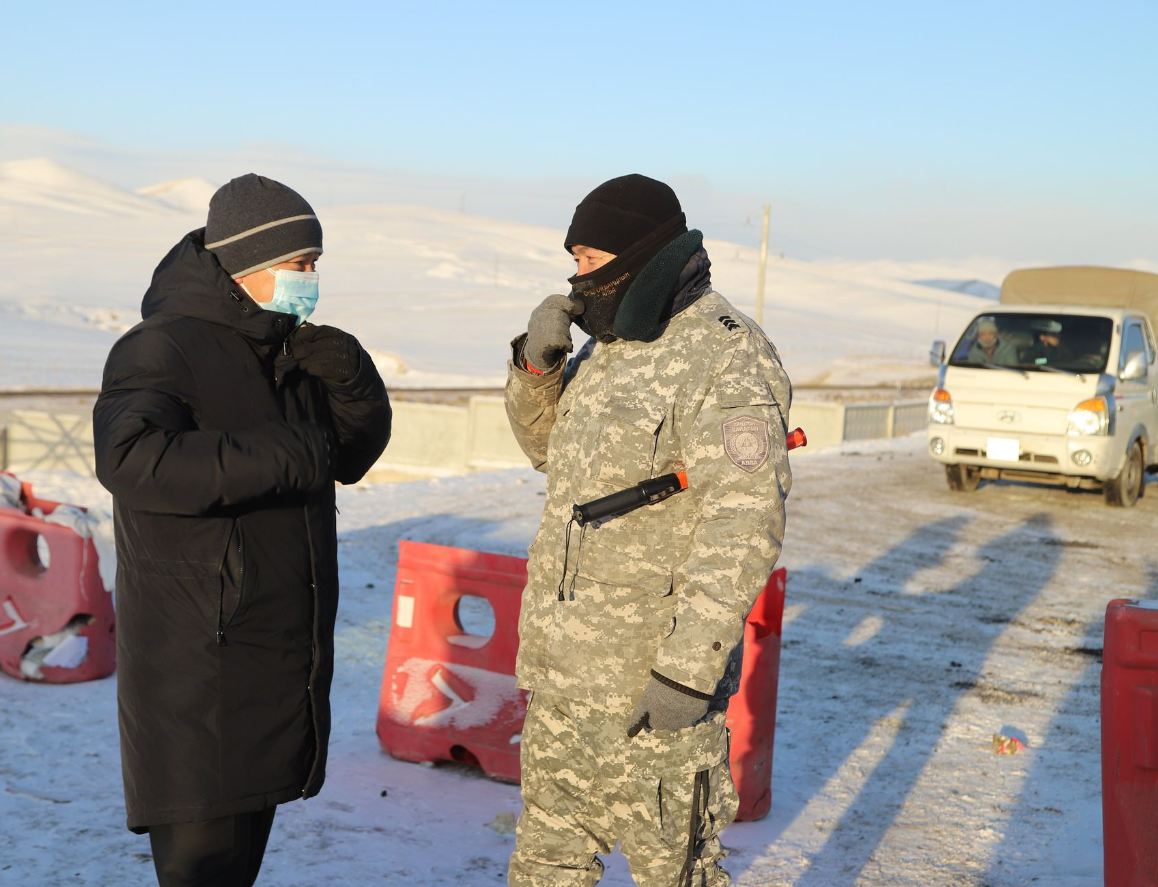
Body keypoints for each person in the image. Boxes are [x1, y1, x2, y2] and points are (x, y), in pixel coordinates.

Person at [93, 173, 391, 887]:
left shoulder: (283, 346)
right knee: (202, 867)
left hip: (272, 656)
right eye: (301, 265)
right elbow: (131, 458)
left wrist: (352, 381)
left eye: (315, 264)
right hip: (200, 668)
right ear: (247, 265)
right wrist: (289, 454)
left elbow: (347, 454)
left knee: (238, 861)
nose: (312, 280)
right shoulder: (161, 346)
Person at [504, 174, 792, 886]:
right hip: (565, 679)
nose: (577, 278)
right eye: (572, 260)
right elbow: (550, 451)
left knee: (676, 873)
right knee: (545, 867)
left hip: (650, 689)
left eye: (589, 259)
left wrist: (686, 671)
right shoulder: (606, 346)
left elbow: (744, 519)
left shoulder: (725, 352)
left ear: (641, 255)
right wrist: (536, 367)